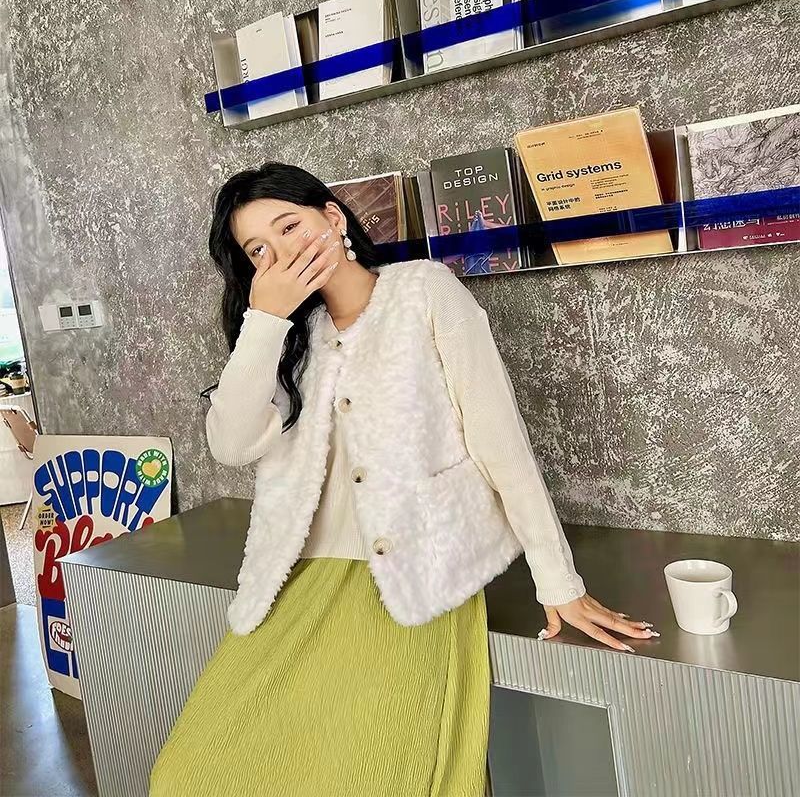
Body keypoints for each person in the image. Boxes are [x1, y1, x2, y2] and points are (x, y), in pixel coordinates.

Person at [149, 161, 657, 797]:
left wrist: (559, 583)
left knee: (379, 778)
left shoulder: (424, 292)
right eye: (258, 250)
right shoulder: (289, 339)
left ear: (332, 217)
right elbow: (230, 444)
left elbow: (500, 443)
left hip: (414, 579)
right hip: (298, 583)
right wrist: (265, 321)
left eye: (289, 227)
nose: (281, 254)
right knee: (188, 777)